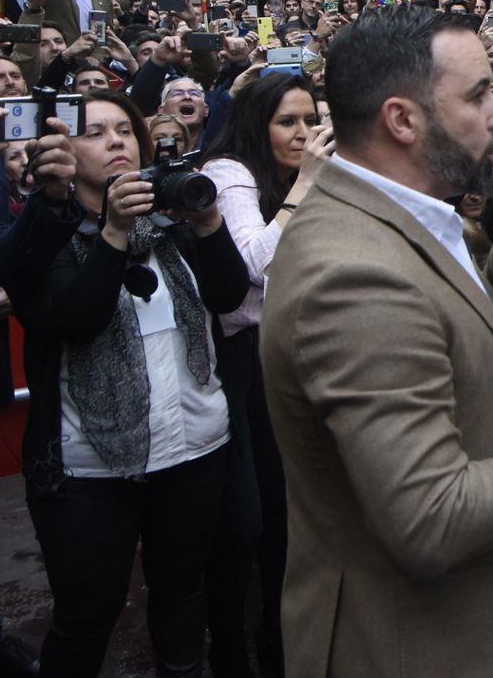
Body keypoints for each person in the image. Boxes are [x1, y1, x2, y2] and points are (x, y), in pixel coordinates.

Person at [260, 4, 493, 676]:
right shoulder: (354, 274)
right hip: (431, 647)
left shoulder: (405, 216)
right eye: (479, 94)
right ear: (402, 120)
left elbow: (458, 335)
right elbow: (431, 518)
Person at [4, 90, 250, 676]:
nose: (116, 140)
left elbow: (228, 297)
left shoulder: (174, 221)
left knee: (182, 598)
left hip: (193, 448)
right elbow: (74, 321)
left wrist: (209, 222)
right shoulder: (46, 235)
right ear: (61, 150)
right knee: (86, 618)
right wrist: (113, 232)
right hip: (89, 468)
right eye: (95, 132)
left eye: (125, 129)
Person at [199, 73, 336, 675]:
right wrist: (306, 186)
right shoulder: (230, 174)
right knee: (244, 522)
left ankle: (282, 649)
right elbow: (252, 265)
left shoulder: (302, 181)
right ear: (259, 124)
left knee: (289, 516)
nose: (303, 135)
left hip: (293, 357)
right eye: (288, 122)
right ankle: (231, 649)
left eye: (310, 121)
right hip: (235, 369)